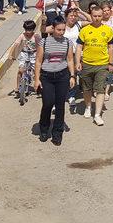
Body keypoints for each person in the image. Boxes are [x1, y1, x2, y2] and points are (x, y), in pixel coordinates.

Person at [34, 16, 75, 145]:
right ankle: (44, 128)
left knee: (60, 105)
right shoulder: (44, 42)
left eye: (63, 30)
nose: (61, 32)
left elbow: (69, 60)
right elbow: (38, 61)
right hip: (47, 77)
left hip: (62, 76)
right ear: (53, 28)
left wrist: (72, 75)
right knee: (47, 103)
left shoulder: (68, 42)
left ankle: (57, 133)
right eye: (59, 30)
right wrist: (36, 79)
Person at [76, 5, 113, 126]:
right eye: (94, 16)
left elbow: (111, 47)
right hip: (87, 64)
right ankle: (88, 107)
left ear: (102, 16)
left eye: (99, 16)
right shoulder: (85, 30)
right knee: (86, 89)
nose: (97, 18)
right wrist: (78, 62)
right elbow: (79, 47)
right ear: (91, 16)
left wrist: (111, 63)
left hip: (102, 65)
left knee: (100, 90)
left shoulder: (108, 30)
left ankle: (97, 114)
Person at [10, 20, 40, 95]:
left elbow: (40, 46)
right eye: (26, 30)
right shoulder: (22, 36)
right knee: (20, 70)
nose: (28, 32)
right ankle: (17, 87)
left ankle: (38, 86)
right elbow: (16, 44)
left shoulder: (36, 36)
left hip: (34, 54)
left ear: (33, 29)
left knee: (37, 71)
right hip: (24, 54)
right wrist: (10, 54)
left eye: (30, 30)